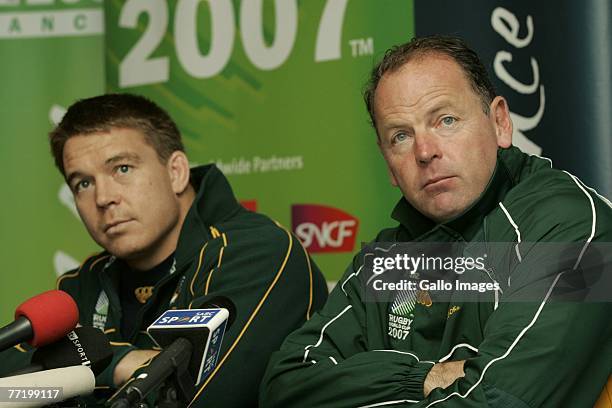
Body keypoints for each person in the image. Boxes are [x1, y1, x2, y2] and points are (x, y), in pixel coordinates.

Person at [260, 35, 612, 407]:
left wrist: (365, 386)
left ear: (500, 123)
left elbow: (495, 402)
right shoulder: (386, 257)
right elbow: (285, 385)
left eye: (445, 120)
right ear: (388, 165)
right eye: (401, 136)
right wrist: (424, 377)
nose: (425, 152)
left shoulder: (575, 230)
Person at [2, 93, 328, 406]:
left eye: (122, 168)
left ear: (176, 172)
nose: (103, 197)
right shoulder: (82, 283)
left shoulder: (258, 253)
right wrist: (120, 362)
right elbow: (9, 387)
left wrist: (78, 376)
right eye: (83, 183)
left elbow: (194, 397)